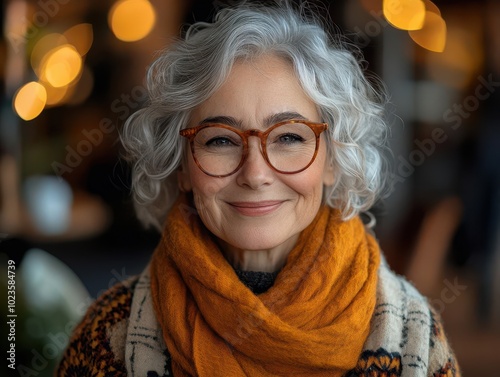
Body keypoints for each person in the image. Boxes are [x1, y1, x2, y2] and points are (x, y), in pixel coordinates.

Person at [57, 2, 460, 376]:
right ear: (180, 165)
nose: (255, 173)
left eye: (288, 138)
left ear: (333, 160)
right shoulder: (108, 334)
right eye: (220, 140)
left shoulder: (413, 332)